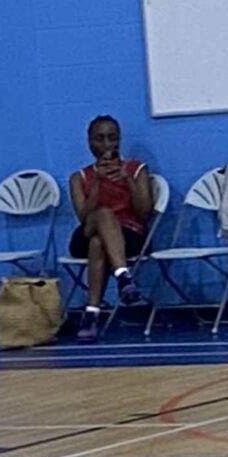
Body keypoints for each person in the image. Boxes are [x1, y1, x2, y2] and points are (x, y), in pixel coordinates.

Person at [67, 115, 153, 339]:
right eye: (100, 139)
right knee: (103, 215)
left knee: (99, 244)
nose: (106, 144)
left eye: (112, 138)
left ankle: (91, 314)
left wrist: (128, 181)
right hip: (88, 229)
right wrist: (97, 182)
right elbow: (83, 216)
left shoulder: (136, 169)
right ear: (89, 142)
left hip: (129, 233)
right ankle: (123, 276)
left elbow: (144, 214)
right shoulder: (79, 177)